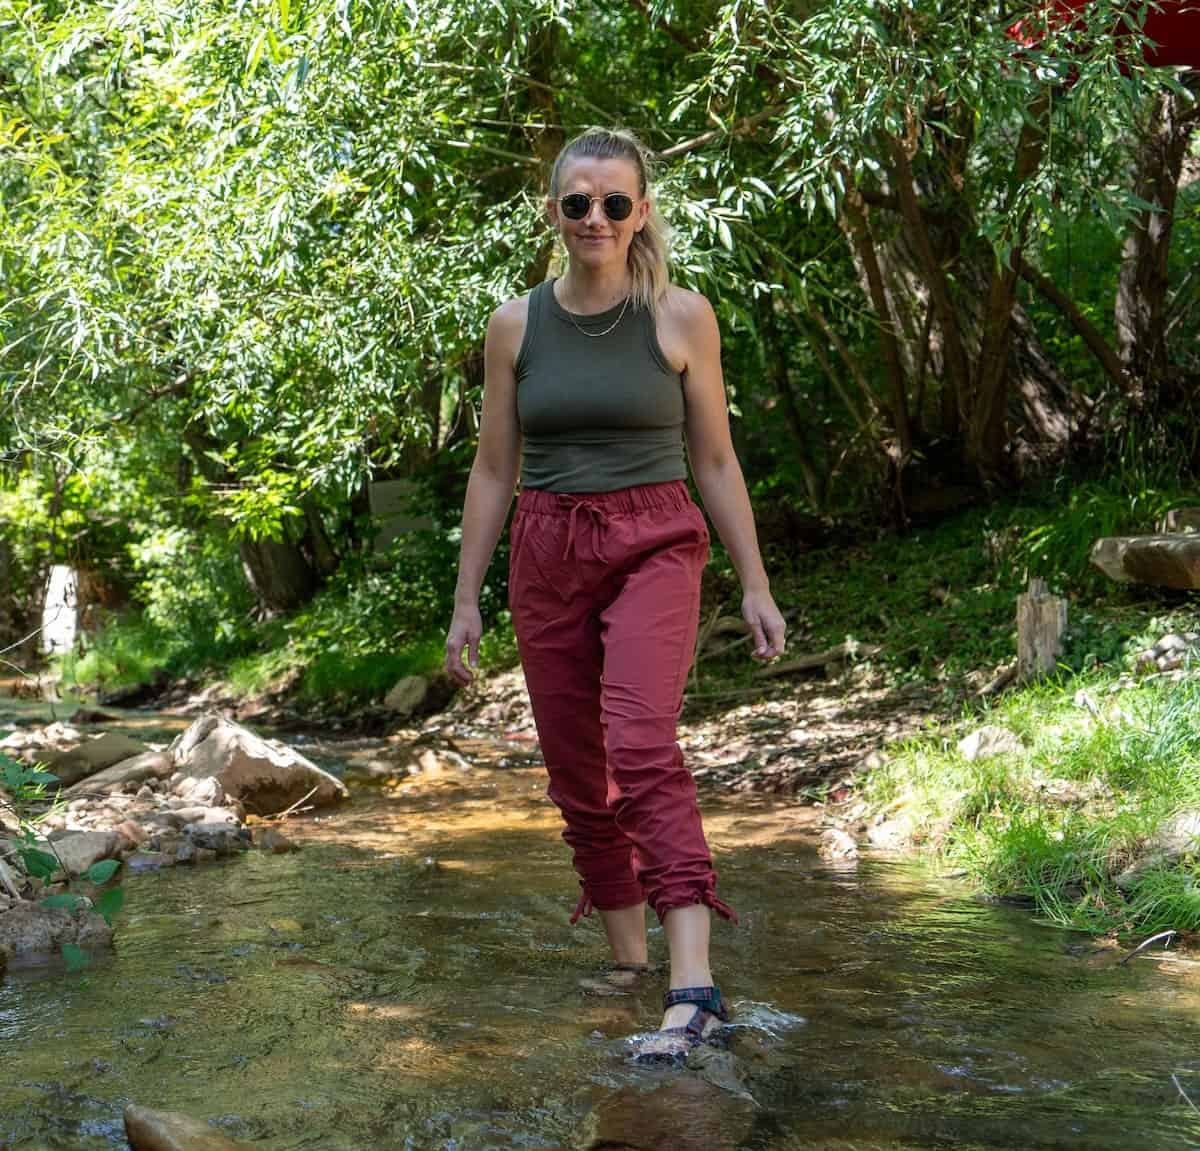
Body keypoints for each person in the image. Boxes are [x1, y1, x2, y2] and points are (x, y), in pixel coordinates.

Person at [444, 126, 786, 1060]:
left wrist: (754, 580)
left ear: (642, 214)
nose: (596, 217)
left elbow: (715, 459)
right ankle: (630, 964)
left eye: (615, 202)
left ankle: (694, 984)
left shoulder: (681, 317)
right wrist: (466, 597)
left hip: (655, 542)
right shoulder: (514, 324)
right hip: (547, 546)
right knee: (575, 773)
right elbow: (491, 469)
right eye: (577, 202)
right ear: (553, 212)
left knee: (639, 740)